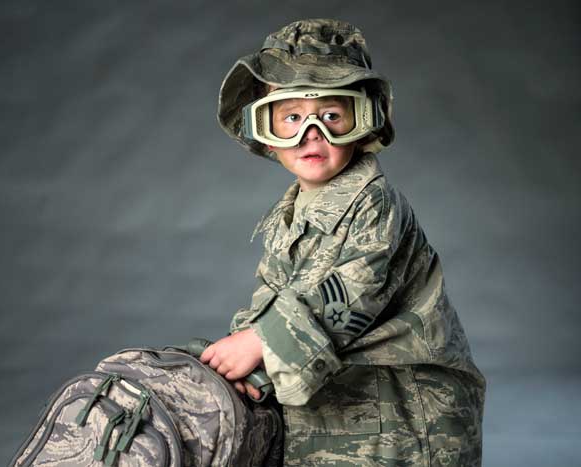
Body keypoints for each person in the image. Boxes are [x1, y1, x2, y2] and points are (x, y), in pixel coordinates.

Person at [200, 19, 486, 466]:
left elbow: (351, 294)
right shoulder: (292, 210)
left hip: (406, 415)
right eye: (291, 118)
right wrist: (248, 359)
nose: (312, 133)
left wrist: (259, 345)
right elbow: (274, 293)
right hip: (336, 408)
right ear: (266, 135)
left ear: (364, 122)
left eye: (333, 116)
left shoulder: (375, 203)